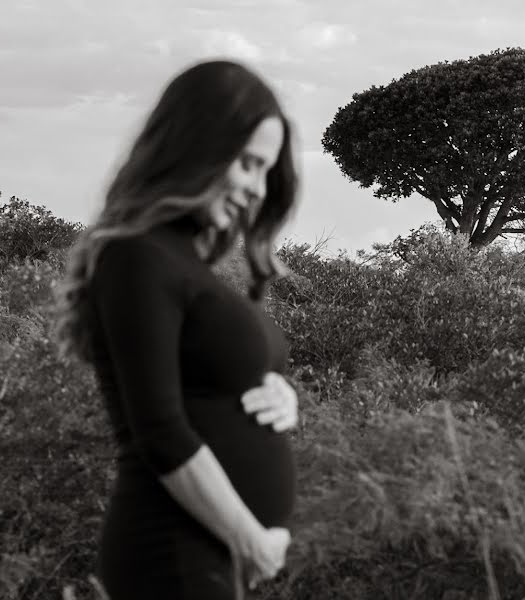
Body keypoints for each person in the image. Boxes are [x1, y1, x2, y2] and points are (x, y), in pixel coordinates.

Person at [51, 60, 301, 599]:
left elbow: (213, 378)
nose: (257, 188)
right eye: (249, 164)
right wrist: (249, 538)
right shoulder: (137, 255)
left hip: (207, 556)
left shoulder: (184, 260)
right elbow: (160, 431)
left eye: (266, 171)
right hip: (172, 553)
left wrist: (280, 393)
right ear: (199, 147)